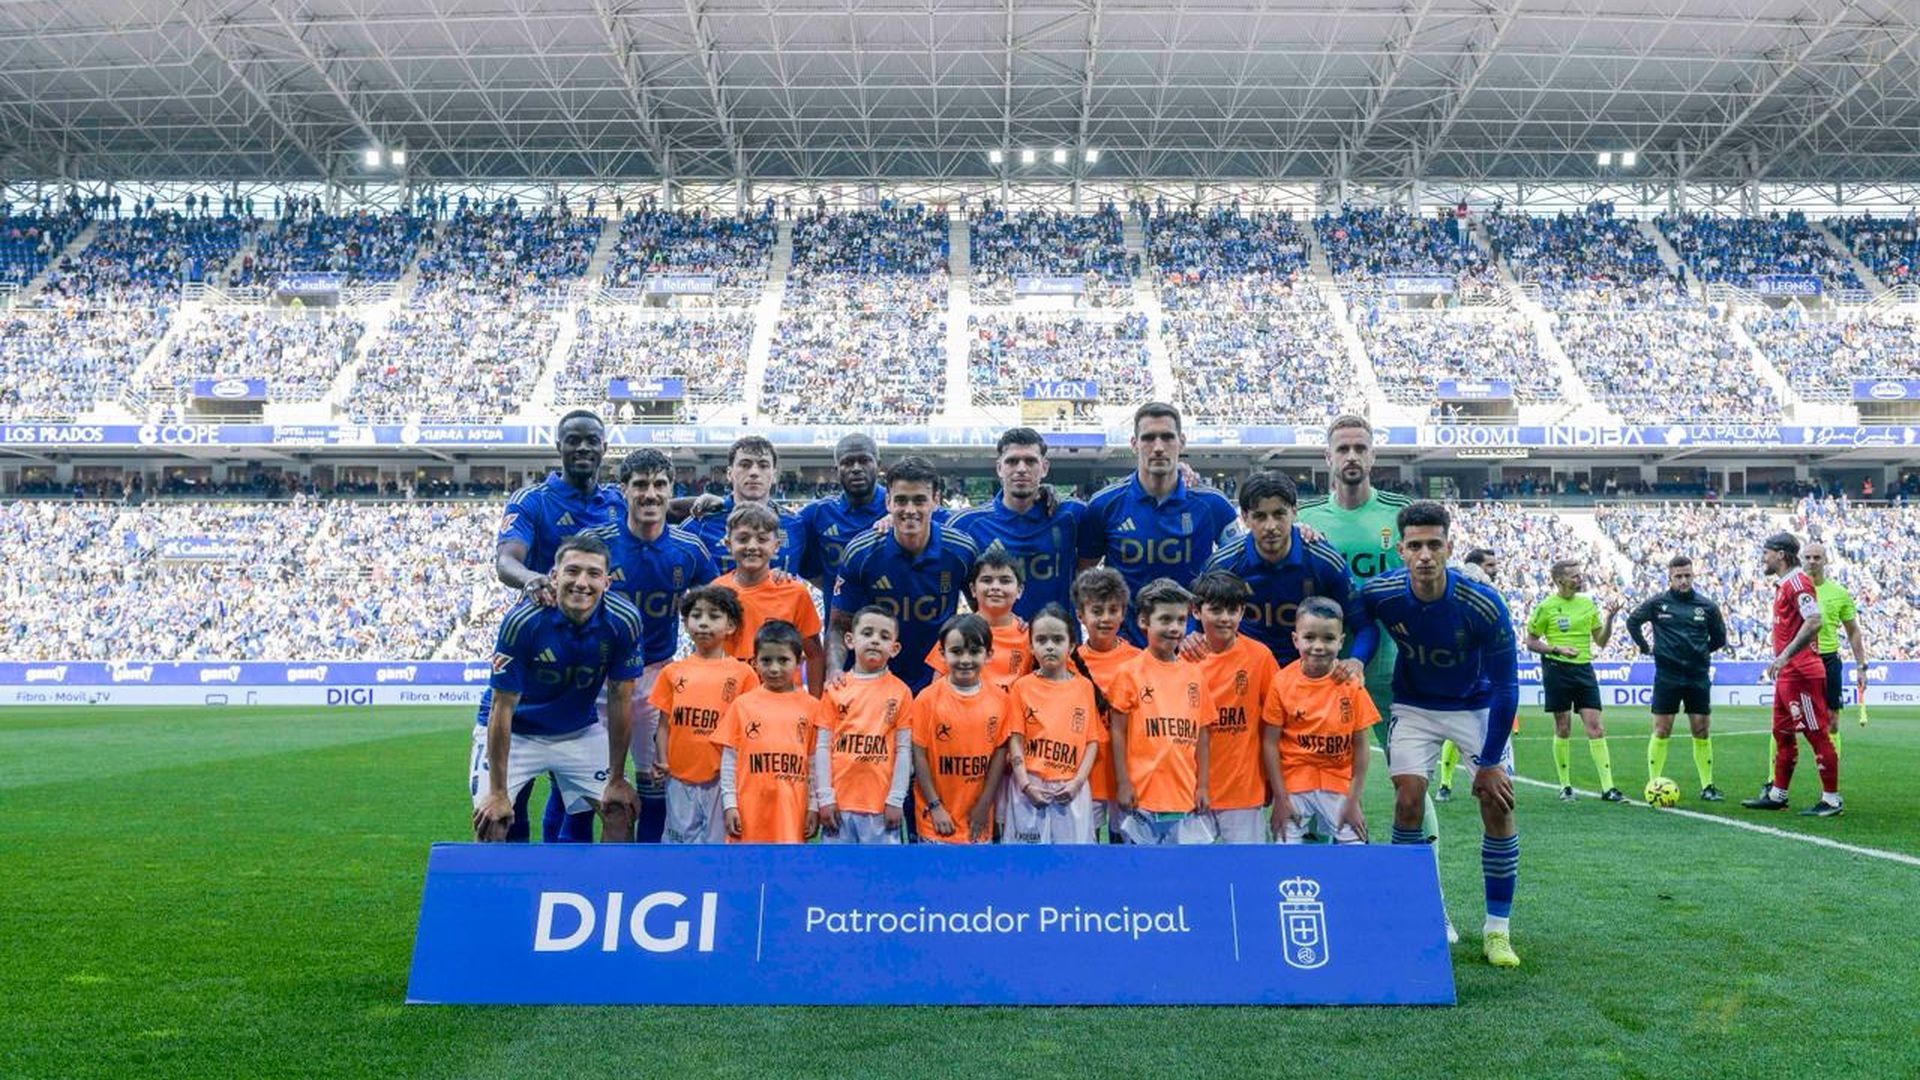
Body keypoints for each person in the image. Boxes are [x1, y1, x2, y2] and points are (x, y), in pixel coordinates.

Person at [1351, 501, 1521, 968]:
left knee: (1498, 803)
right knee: (1407, 798)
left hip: (1478, 705)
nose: (1425, 555)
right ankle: (1416, 914)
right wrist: (1358, 658)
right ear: (1400, 550)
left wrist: (1488, 763)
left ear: (1449, 547)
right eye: (1415, 546)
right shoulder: (1381, 592)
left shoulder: (1483, 603)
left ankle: (1497, 930)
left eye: (1434, 545)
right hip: (1415, 704)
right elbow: (1363, 622)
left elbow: (1508, 686)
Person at [1297, 414, 1435, 841]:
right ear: (1328, 457)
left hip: (1391, 666)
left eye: (1360, 448)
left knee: (1410, 782)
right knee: (1312, 781)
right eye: (1343, 448)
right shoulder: (1304, 518)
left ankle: (1427, 894)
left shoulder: (1400, 515)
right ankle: (1316, 890)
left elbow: (1429, 576)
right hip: (1322, 669)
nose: (1352, 456)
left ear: (1373, 455)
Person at [494, 409, 627, 843]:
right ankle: (519, 888)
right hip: (539, 642)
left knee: (579, 798)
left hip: (593, 647)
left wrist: (701, 503)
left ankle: (567, 884)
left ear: (605, 448)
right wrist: (533, 579)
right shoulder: (533, 501)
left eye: (592, 440)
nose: (584, 447)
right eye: (574, 440)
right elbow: (506, 560)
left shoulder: (615, 500)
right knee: (511, 806)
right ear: (559, 446)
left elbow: (658, 511)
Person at [470, 535, 643, 845]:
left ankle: (608, 892)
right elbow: (502, 707)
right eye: (572, 571)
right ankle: (499, 894)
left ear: (607, 582)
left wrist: (617, 779)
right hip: (517, 731)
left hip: (576, 732)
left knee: (620, 810)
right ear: (553, 576)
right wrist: (497, 792)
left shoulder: (624, 620)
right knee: (493, 821)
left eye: (593, 574)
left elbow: (620, 700)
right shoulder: (523, 621)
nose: (581, 582)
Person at [588, 448, 721, 841]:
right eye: (640, 485)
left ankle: (644, 876)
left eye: (659, 484)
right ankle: (579, 876)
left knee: (655, 784)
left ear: (670, 490)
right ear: (623, 491)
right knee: (585, 792)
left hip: (655, 680)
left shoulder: (689, 550)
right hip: (599, 680)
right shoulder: (596, 545)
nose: (650, 494)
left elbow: (717, 608)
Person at [1077, 402, 1237, 645]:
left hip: (1191, 646)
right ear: (1134, 444)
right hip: (1125, 647)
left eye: (1167, 437)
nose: (1159, 447)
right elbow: (1083, 573)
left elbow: (1241, 565)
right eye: (1149, 438)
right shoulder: (1104, 505)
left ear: (1181, 441)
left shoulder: (1213, 505)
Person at [831, 456, 978, 693]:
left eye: (919, 500)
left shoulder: (961, 550)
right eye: (901, 500)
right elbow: (838, 626)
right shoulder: (861, 552)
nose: (910, 510)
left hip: (938, 685)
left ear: (935, 501)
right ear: (888, 502)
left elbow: (982, 615)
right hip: (873, 685)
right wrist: (834, 672)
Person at [1201, 471, 1359, 665]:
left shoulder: (1325, 562)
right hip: (1243, 673)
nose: (1271, 526)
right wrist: (1190, 637)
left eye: (1279, 514)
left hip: (1306, 675)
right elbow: (1197, 614)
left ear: (1294, 511)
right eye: (1260, 516)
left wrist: (1356, 661)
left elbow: (1363, 625)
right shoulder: (1223, 563)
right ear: (1244, 517)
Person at [1106, 578, 1217, 845]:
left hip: (1184, 795)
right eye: (1165, 619)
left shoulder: (1195, 675)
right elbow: (1117, 732)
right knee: (1141, 877)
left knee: (1181, 878)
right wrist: (1123, 783)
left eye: (1180, 620)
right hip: (1141, 797)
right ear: (1144, 622)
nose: (1174, 628)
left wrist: (1202, 785)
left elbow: (1203, 735)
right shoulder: (1128, 673)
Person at [1262, 597, 1378, 844]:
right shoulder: (1281, 682)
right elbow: (1270, 743)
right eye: (1309, 637)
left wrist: (1353, 800)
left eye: (1328, 638)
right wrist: (1280, 799)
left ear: (1341, 642)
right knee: (1285, 857)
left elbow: (1361, 745)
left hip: (1338, 784)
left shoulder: (1351, 683)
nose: (1318, 646)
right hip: (1294, 784)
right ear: (1296, 640)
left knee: (1357, 848)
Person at [1743, 533, 1843, 817]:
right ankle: (1778, 794)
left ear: (1781, 555)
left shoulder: (1798, 582)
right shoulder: (1786, 584)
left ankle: (1832, 799)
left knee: (1816, 734)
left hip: (1801, 672)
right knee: (1782, 733)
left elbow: (1814, 620)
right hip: (1788, 673)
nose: (1763, 558)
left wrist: (1785, 655)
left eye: (1766, 553)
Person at [647, 586, 758, 843]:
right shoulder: (672, 672)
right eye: (696, 616)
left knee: (718, 844)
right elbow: (664, 724)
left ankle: (716, 885)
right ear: (686, 624)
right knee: (679, 842)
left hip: (722, 778)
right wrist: (661, 759)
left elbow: (748, 731)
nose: (704, 623)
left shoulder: (743, 675)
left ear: (731, 625)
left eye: (714, 616)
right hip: (678, 776)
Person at [947, 428, 1087, 619]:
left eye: (1030, 461)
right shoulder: (966, 524)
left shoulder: (1072, 514)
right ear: (999, 468)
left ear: (1044, 467)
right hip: (997, 645)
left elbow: (1089, 564)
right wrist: (890, 519)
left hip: (1058, 644)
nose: (1021, 469)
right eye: (1012, 461)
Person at [1626, 555, 1728, 801]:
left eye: (1687, 576)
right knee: (1662, 729)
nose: (1683, 581)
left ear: (1693, 576)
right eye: (1678, 577)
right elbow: (1632, 622)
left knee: (1701, 729)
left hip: (1697, 675)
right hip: (1667, 675)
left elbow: (1719, 639)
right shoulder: (1657, 604)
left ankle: (1707, 786)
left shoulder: (1707, 607)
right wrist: (1644, 647)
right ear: (1670, 578)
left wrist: (1699, 652)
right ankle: (1654, 784)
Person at [1190, 571, 1281, 842]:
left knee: (1248, 873)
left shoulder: (1260, 657)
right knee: (1191, 877)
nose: (1225, 618)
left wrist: (1271, 781)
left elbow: (1276, 720)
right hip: (1191, 789)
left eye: (1233, 610)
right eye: (1215, 610)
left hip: (1244, 790)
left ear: (1242, 612)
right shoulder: (1183, 658)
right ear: (1196, 611)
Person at [1525, 560, 1625, 803]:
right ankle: (1565, 785)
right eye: (1575, 576)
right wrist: (1556, 649)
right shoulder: (1546, 607)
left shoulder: (1587, 603)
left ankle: (1608, 788)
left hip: (1583, 670)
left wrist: (1610, 618)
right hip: (1556, 669)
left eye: (1580, 575)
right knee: (1563, 727)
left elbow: (1600, 641)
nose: (1580, 579)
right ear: (1560, 580)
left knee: (1596, 727)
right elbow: (1531, 641)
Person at [1003, 605, 1105, 844]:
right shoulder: (1022, 687)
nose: (1049, 646)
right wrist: (1025, 785)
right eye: (1041, 639)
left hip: (1072, 788)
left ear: (1071, 646)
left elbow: (1092, 742)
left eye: (1057, 639)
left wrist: (1077, 783)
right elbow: (1015, 740)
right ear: (1031, 646)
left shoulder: (1084, 687)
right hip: (1029, 787)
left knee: (1074, 863)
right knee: (1025, 863)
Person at [813, 607, 915, 844]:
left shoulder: (901, 692)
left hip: (880, 807)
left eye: (884, 637)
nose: (875, 641)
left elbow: (903, 750)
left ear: (895, 648)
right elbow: (822, 748)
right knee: (838, 876)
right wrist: (825, 798)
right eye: (867, 633)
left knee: (883, 876)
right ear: (850, 640)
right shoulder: (835, 689)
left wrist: (896, 799)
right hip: (839, 805)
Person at [908, 613, 1010, 843]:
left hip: (977, 817)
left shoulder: (1000, 700)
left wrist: (984, 804)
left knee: (977, 878)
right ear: (942, 654)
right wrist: (935, 806)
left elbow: (999, 754)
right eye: (956, 651)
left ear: (989, 655)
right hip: (935, 818)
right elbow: (919, 755)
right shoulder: (926, 699)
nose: (965, 659)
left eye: (974, 652)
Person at [716, 621, 821, 842]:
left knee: (788, 870)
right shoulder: (742, 705)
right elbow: (729, 761)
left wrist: (813, 806)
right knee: (745, 871)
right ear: (755, 663)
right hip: (748, 812)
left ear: (799, 661)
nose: (774, 668)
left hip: (791, 811)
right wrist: (729, 804)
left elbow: (814, 764)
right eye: (766, 660)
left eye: (783, 660)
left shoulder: (812, 707)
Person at [715, 503, 825, 693]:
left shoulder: (795, 593)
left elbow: (814, 654)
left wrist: (815, 706)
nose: (752, 546)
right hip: (732, 702)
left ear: (776, 547)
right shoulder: (716, 591)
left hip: (783, 703)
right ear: (728, 544)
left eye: (762, 539)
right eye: (742, 539)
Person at [1068, 566, 1139, 842]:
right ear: (1081, 615)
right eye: (1097, 611)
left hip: (1129, 776)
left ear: (1123, 612)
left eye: (1113, 610)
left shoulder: (1138, 660)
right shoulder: (1069, 662)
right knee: (1089, 857)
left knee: (1127, 857)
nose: (1105, 618)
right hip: (1086, 778)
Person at [687, 436, 808, 574]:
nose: (754, 472)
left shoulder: (795, 524)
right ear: (729, 473)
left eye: (763, 465)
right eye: (745, 465)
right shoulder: (701, 523)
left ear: (774, 474)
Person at [924, 548, 1032, 692]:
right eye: (987, 580)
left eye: (1004, 581)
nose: (995, 587)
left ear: (1019, 590)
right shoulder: (957, 631)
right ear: (973, 589)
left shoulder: (1029, 635)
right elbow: (936, 691)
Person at [1438, 548, 1500, 799]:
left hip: (1487, 676)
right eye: (1490, 566)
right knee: (1456, 731)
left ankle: (1486, 781)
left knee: (1482, 733)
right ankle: (1445, 783)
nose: (1495, 570)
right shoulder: (1458, 594)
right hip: (1460, 675)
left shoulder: (1494, 596)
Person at [795, 433, 888, 589]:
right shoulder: (816, 514)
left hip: (891, 613)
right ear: (837, 469)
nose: (856, 468)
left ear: (878, 465)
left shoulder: (902, 508)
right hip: (841, 612)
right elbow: (810, 572)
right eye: (848, 462)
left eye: (864, 460)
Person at [1803, 542, 1867, 757]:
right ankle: (1772, 782)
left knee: (1832, 721)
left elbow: (1853, 631)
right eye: (1808, 557)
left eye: (1817, 557)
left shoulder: (1839, 593)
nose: (1812, 561)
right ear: (1802, 559)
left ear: (1825, 560)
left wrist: (1861, 666)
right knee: (1786, 724)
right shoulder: (1791, 590)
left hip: (1828, 659)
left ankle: (1831, 782)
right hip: (1799, 660)